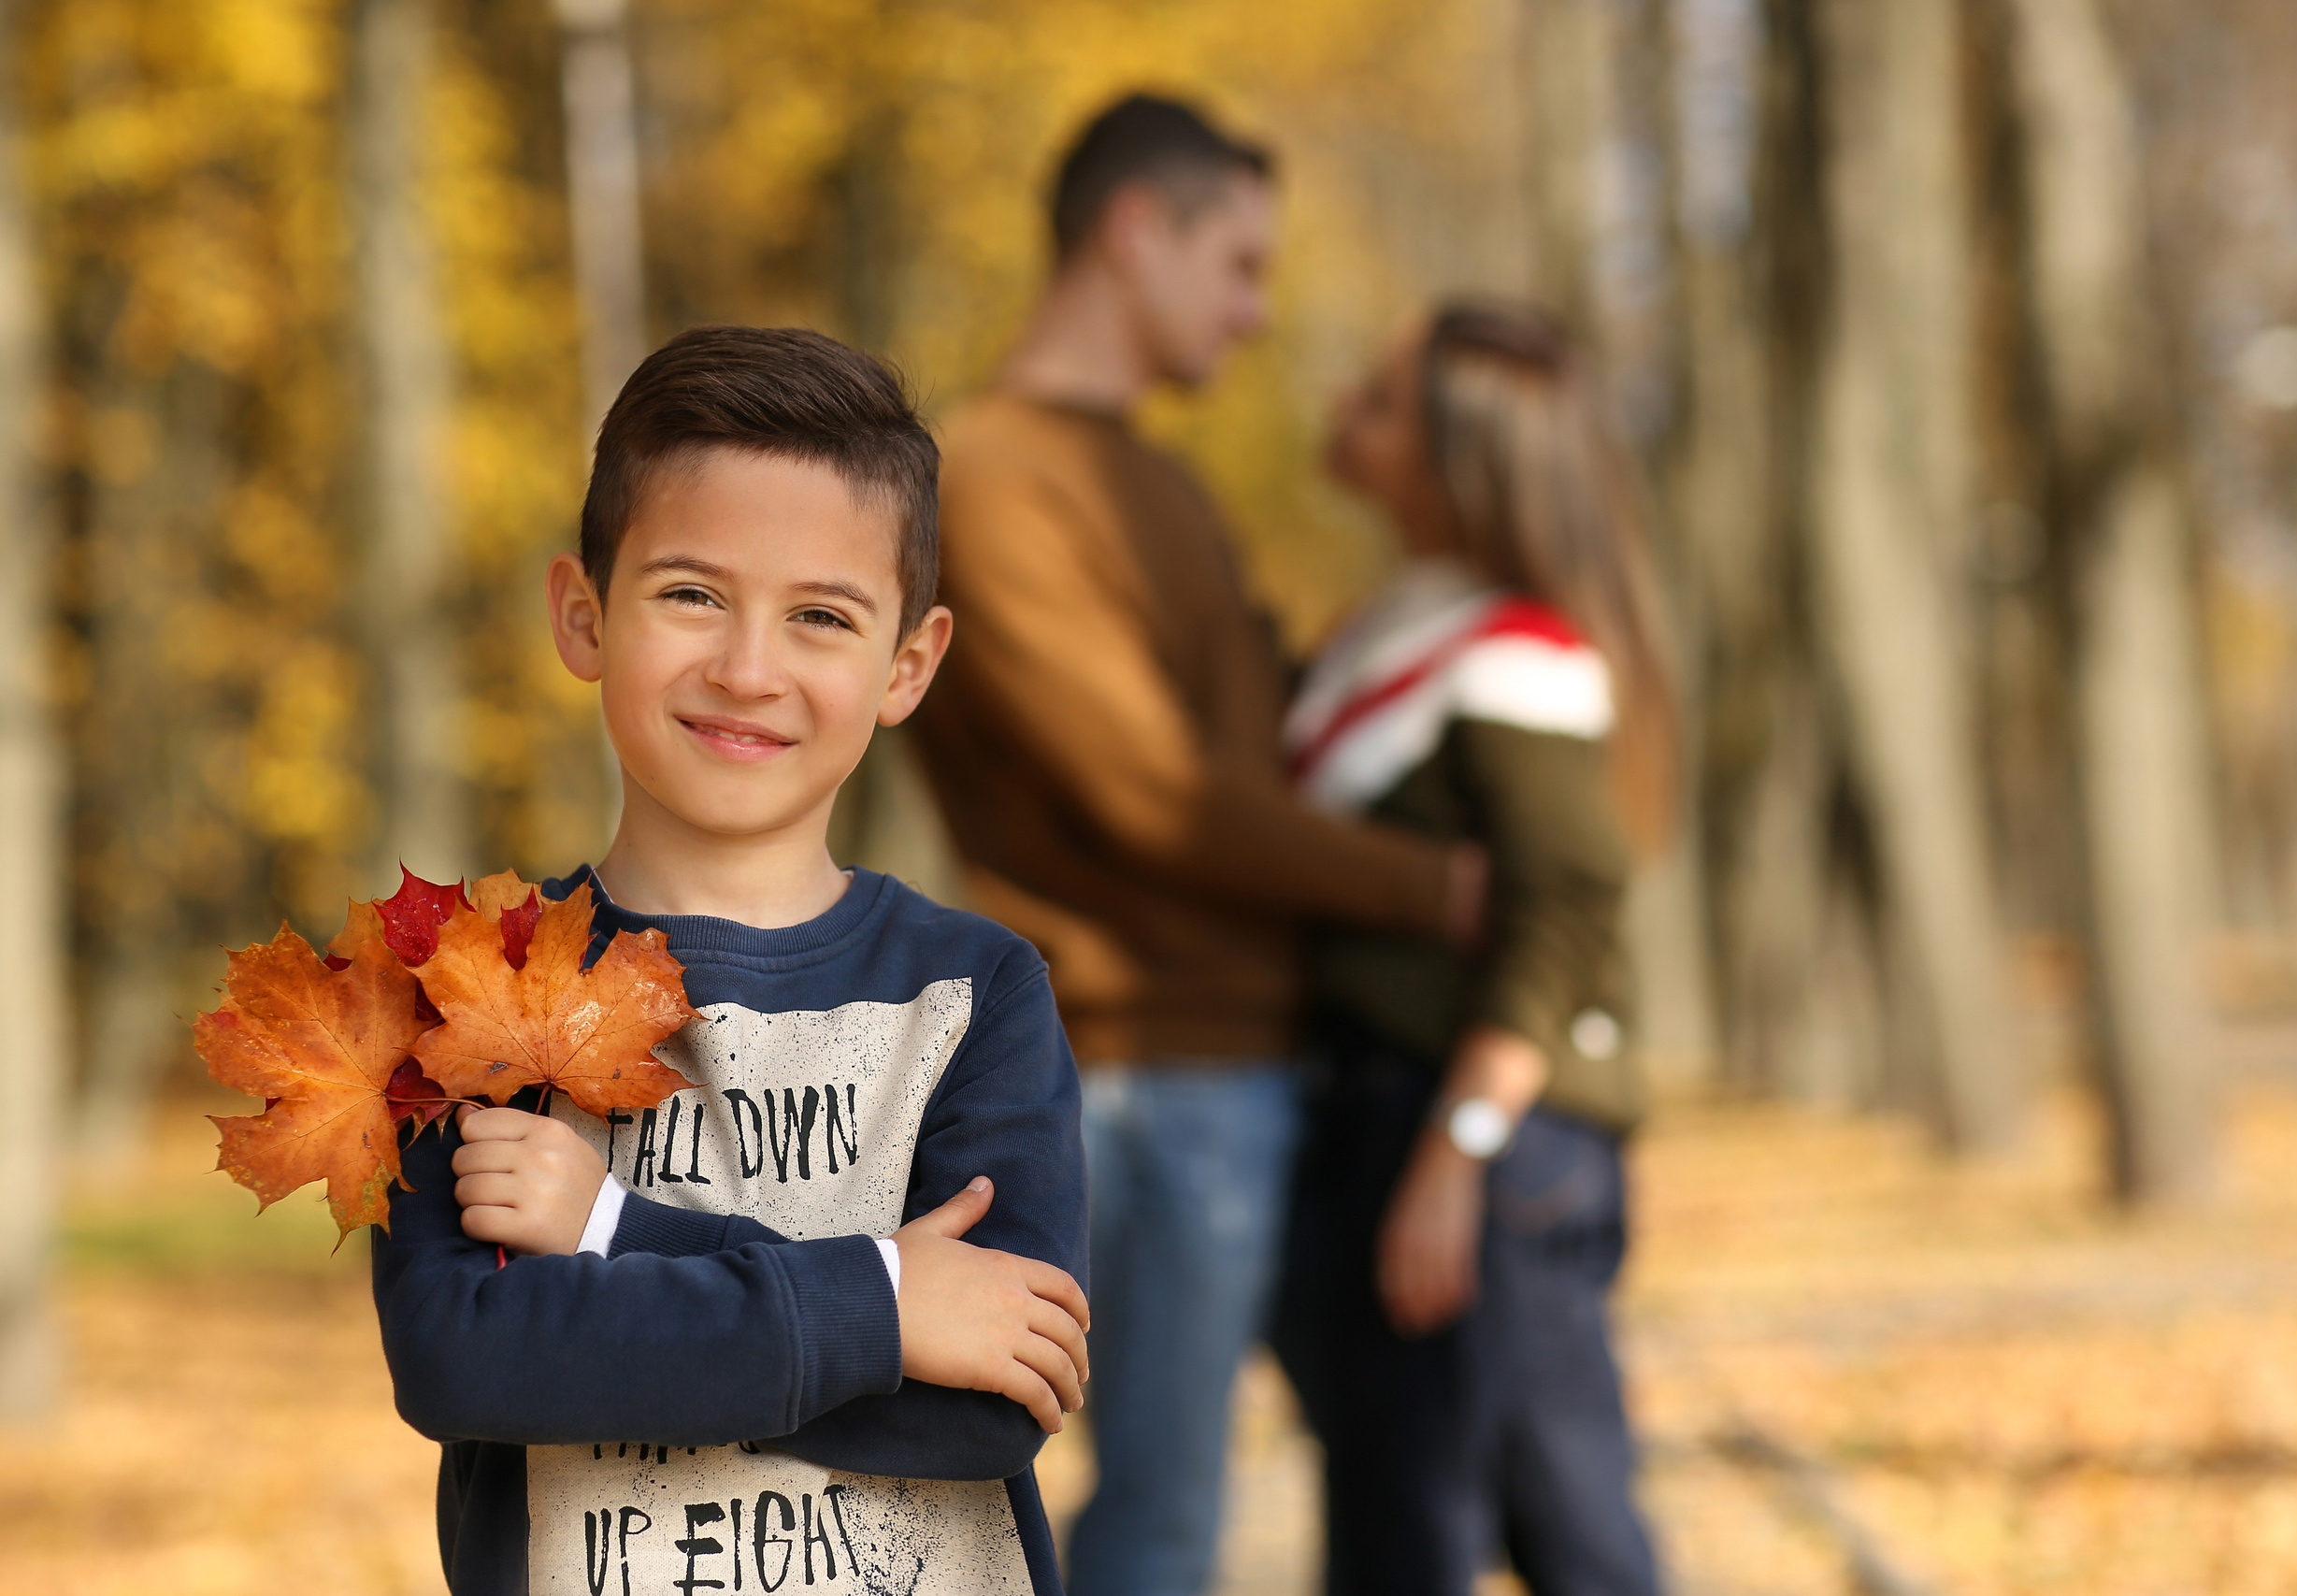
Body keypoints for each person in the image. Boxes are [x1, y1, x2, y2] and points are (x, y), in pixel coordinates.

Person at [371, 325, 1092, 1596]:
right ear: (584, 616)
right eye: (692, 594)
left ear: (906, 666)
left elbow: (993, 1402)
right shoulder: (470, 982)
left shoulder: (976, 994)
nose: (748, 669)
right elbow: (467, 1363)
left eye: (821, 616)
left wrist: (608, 1227)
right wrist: (890, 1312)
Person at [911, 95, 1485, 1596]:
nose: (1256, 311)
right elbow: (1150, 795)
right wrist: (1439, 892)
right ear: (1130, 232)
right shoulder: (988, 477)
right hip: (1141, 1071)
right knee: (1155, 1526)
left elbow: (1262, 744)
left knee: (1401, 1473)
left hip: (1253, 1062)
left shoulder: (1160, 481)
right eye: (1236, 263)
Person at [1273, 303, 1675, 1596]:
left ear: (1458, 460)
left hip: (1480, 1138)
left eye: (1384, 399)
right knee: (1410, 1529)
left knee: (1546, 1538)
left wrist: (1459, 1151)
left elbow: (1567, 906)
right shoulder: (1387, 627)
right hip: (1395, 1125)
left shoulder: (1520, 653)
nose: (1347, 403)